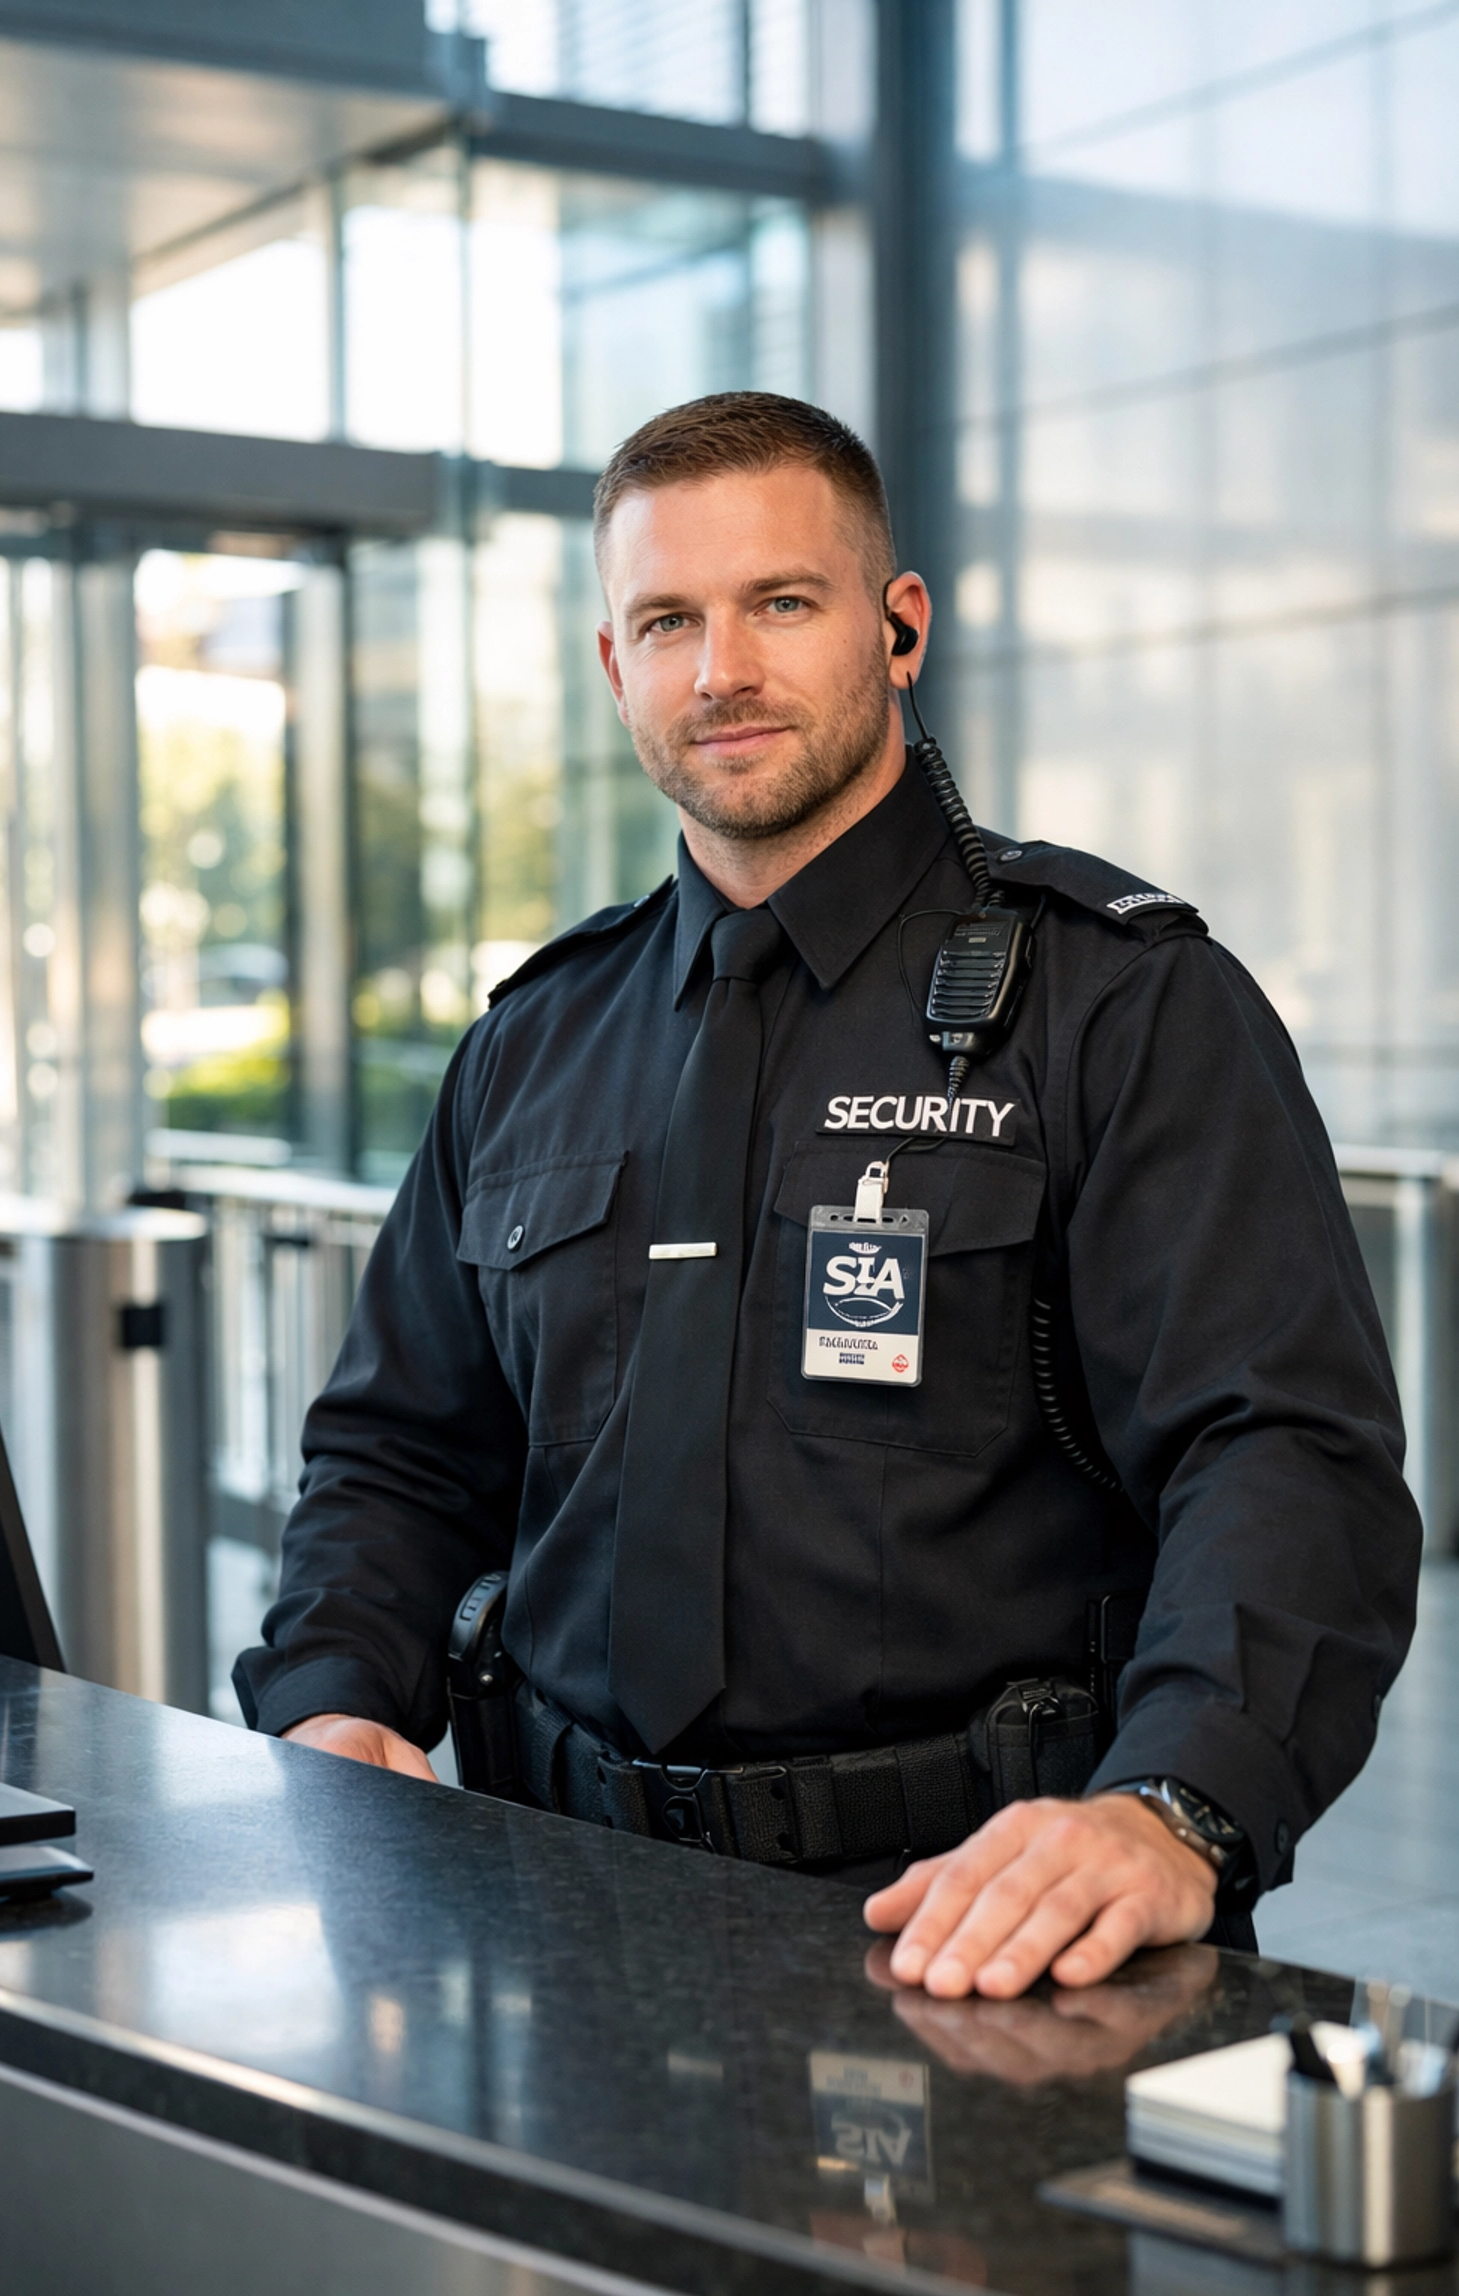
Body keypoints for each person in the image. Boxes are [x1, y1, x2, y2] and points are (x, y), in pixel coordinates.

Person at [235, 391, 1420, 2000]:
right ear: (615, 667)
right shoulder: (533, 1041)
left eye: (779, 604)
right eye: (667, 620)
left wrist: (1176, 1808)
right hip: (555, 1918)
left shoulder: (1118, 1003)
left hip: (974, 1934)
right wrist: (331, 1695)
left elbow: (1283, 1455)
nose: (720, 669)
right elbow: (399, 1446)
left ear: (897, 623)